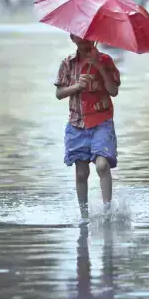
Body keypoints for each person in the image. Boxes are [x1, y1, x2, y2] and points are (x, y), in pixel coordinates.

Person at [54, 34, 121, 218]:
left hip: (101, 122)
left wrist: (99, 66)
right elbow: (59, 93)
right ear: (72, 38)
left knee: (101, 165)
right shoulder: (68, 63)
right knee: (81, 173)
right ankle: (84, 216)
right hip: (77, 124)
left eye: (89, 36)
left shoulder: (106, 60)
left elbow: (113, 91)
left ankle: (107, 211)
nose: (85, 40)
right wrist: (76, 86)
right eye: (80, 36)